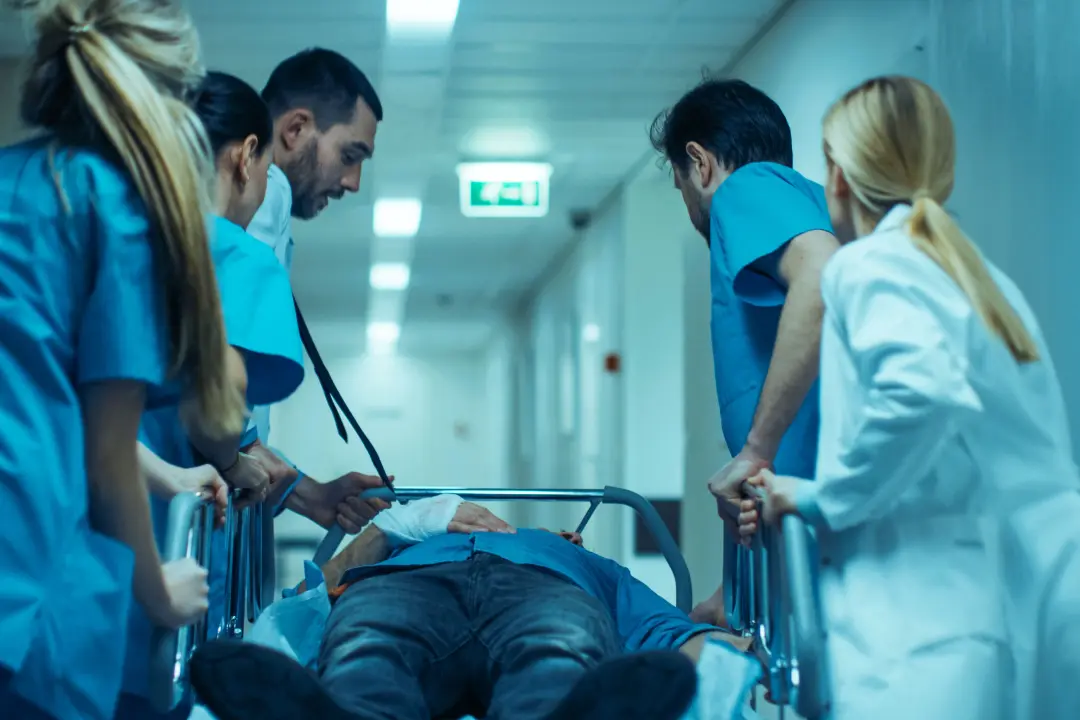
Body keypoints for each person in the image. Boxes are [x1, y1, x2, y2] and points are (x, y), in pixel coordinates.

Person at [730, 75, 1080, 719]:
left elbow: (920, 393)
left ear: (837, 175)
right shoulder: (979, 279)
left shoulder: (874, 265)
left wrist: (818, 497)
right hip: (1002, 615)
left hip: (918, 633)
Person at [0, 1, 248, 719]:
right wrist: (158, 590)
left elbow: (39, 394)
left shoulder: (14, 184)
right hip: (30, 582)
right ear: (171, 98)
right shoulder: (115, 209)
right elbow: (106, 454)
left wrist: (167, 473)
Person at [187, 496, 757, 720]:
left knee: (557, 658)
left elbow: (670, 635)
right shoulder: (403, 544)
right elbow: (304, 605)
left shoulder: (584, 562)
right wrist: (386, 530)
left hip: (545, 593)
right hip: (403, 588)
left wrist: (733, 655)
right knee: (367, 650)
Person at [114, 70, 308, 720]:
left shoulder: (118, 237)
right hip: (172, 543)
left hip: (85, 526)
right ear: (246, 154)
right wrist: (237, 459)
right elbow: (215, 406)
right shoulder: (236, 256)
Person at [648, 79, 840, 614]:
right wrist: (726, 599)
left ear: (699, 163)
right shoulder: (807, 204)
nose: (685, 198)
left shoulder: (747, 188)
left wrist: (757, 449)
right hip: (802, 533)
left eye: (679, 182)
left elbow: (822, 274)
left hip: (822, 535)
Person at [243, 47, 391, 533]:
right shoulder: (266, 189)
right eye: (350, 155)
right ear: (296, 129)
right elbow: (223, 389)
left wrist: (312, 496)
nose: (352, 182)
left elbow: (237, 428)